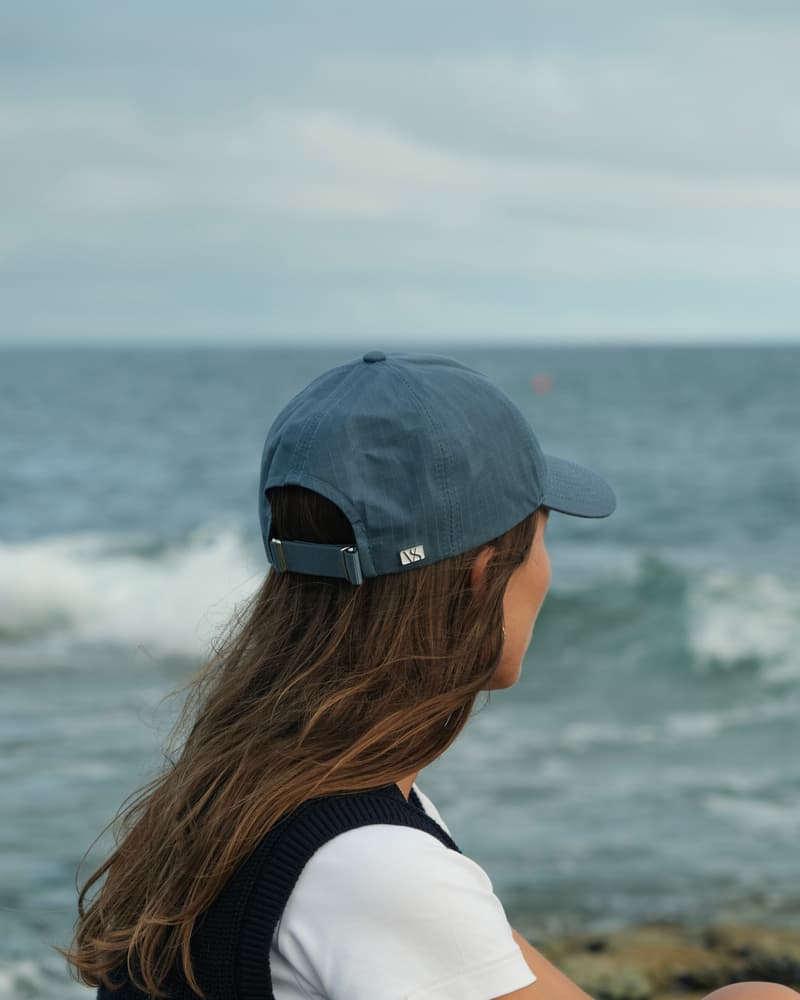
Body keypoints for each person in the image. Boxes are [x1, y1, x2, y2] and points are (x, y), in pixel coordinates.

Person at [63, 350, 797, 1000]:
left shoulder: (247, 790)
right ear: (483, 578)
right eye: (541, 536)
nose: (547, 571)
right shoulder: (373, 868)